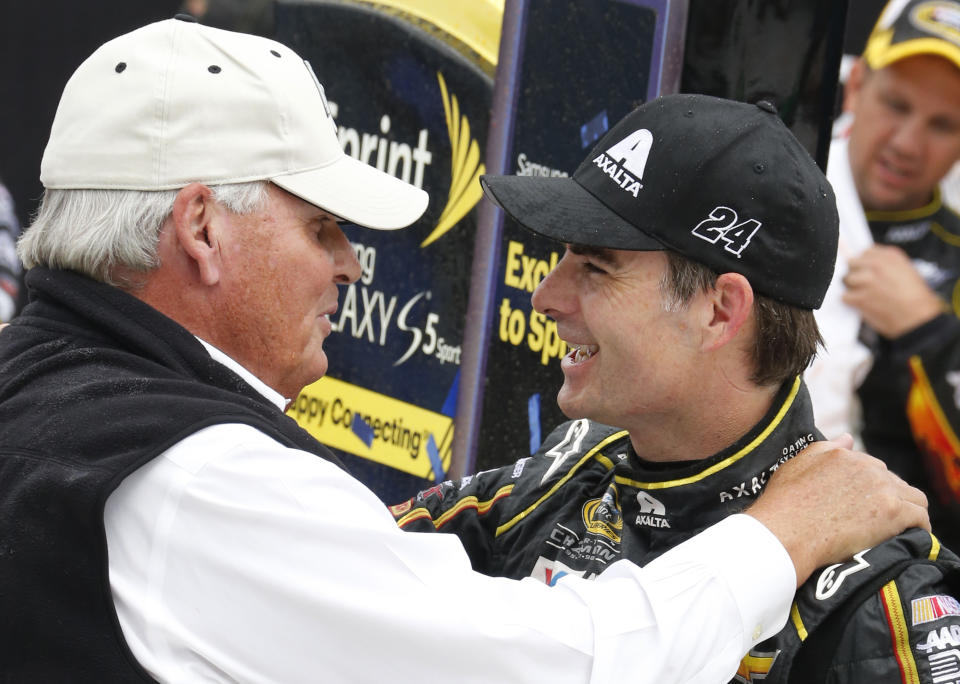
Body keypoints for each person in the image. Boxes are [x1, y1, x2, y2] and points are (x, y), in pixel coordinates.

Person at [0, 16, 929, 684]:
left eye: (595, 268)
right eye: (324, 226)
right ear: (200, 228)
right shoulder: (202, 482)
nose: (349, 266)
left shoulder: (37, 378)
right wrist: (782, 533)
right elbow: (570, 665)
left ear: (723, 312)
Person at [392, 94, 960, 682]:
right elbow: (345, 578)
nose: (544, 298)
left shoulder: (878, 603)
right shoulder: (560, 479)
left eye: (595, 267)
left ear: (719, 312)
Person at [805, 0, 960, 551]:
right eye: (896, 105)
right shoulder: (779, 186)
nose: (908, 144)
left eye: (943, 125)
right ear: (856, 85)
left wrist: (930, 333)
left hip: (901, 576)